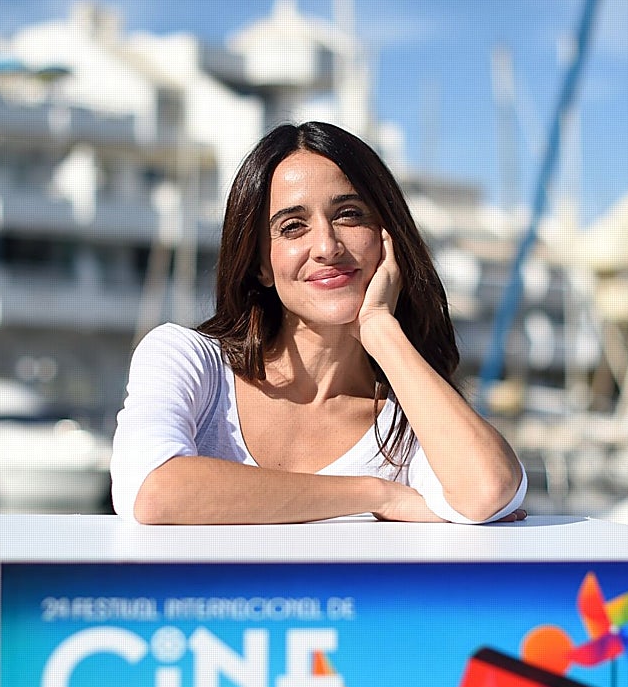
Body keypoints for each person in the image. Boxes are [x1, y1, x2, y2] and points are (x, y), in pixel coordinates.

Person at [111, 121, 527, 525]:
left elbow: (488, 489)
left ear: (388, 238)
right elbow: (151, 490)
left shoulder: (406, 419)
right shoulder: (189, 360)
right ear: (261, 264)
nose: (327, 246)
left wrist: (380, 329)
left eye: (348, 215)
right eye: (292, 227)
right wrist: (375, 493)